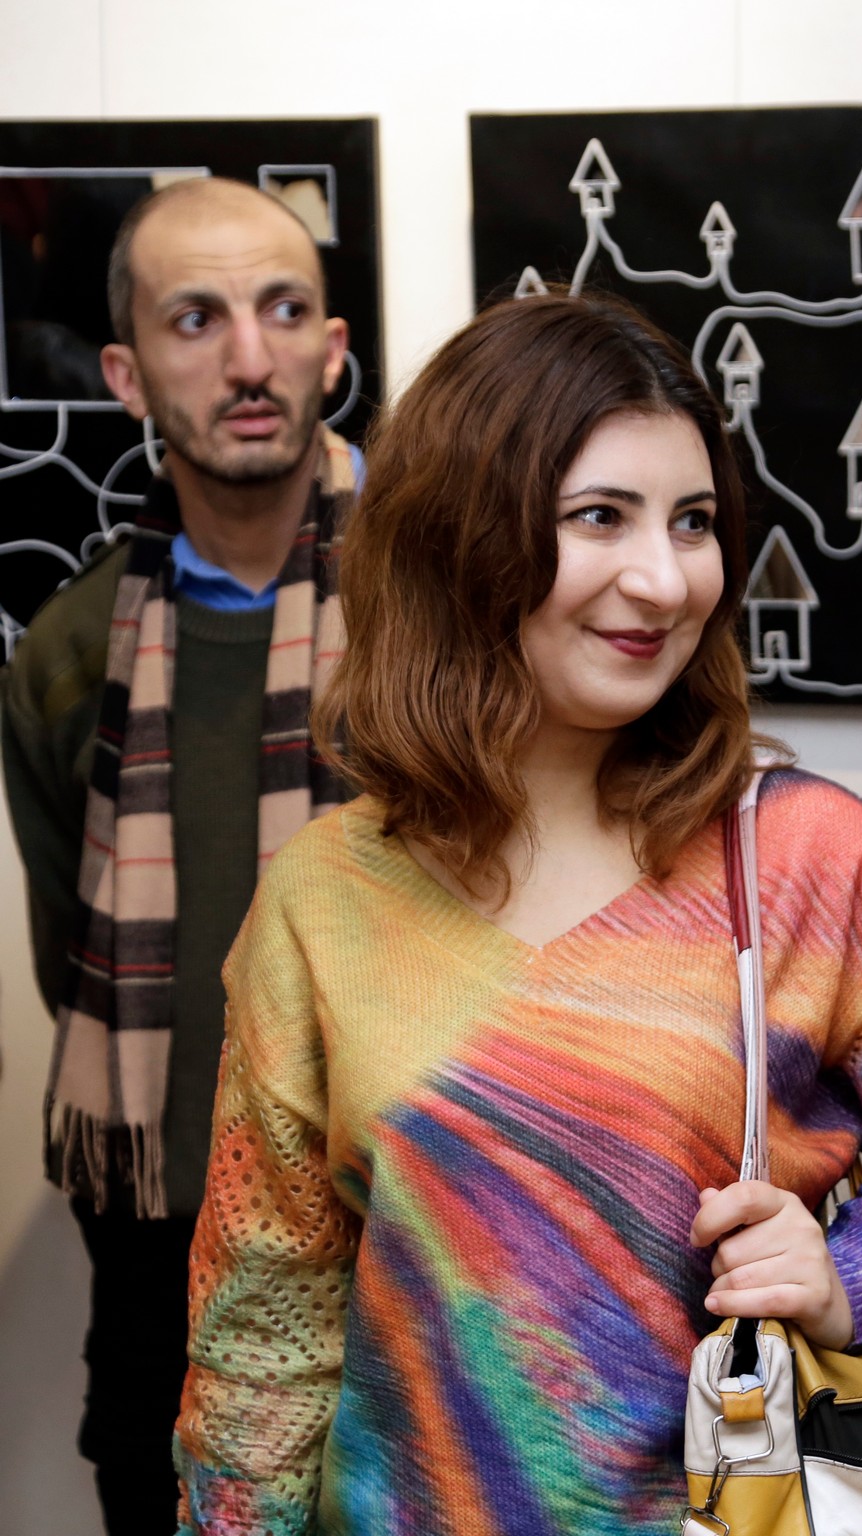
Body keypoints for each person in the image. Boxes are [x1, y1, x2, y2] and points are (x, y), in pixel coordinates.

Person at [170, 289, 862, 1534]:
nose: (663, 579)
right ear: (458, 539)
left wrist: (848, 1272)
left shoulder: (809, 859)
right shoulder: (323, 896)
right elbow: (265, 1328)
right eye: (599, 516)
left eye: (693, 521)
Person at [0, 175, 355, 1534]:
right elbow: (67, 966)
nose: (249, 360)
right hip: (162, 1264)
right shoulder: (67, 657)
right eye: (196, 320)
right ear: (126, 373)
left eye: (284, 312)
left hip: (419, 1244)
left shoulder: (441, 622)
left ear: (332, 350)